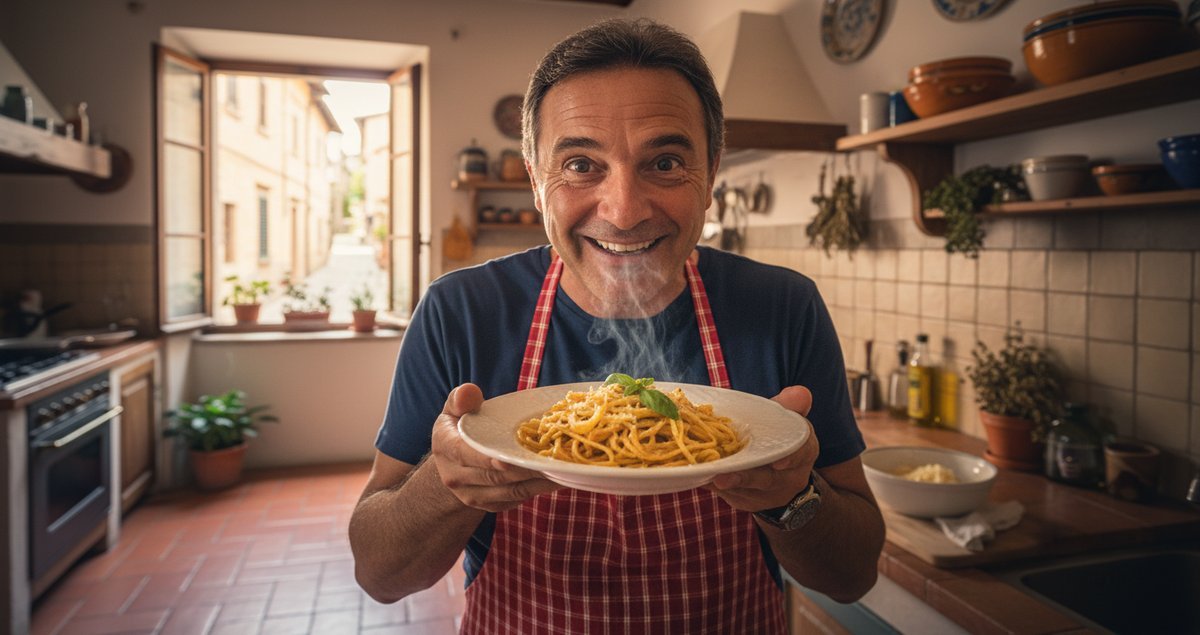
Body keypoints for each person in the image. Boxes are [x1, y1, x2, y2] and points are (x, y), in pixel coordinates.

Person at [349, 18, 885, 633]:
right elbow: (379, 575)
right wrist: (446, 485)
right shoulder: (462, 311)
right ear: (534, 178)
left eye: (665, 161)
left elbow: (852, 577)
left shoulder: (783, 307)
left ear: (711, 173)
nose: (624, 211)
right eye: (580, 163)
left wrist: (793, 498)